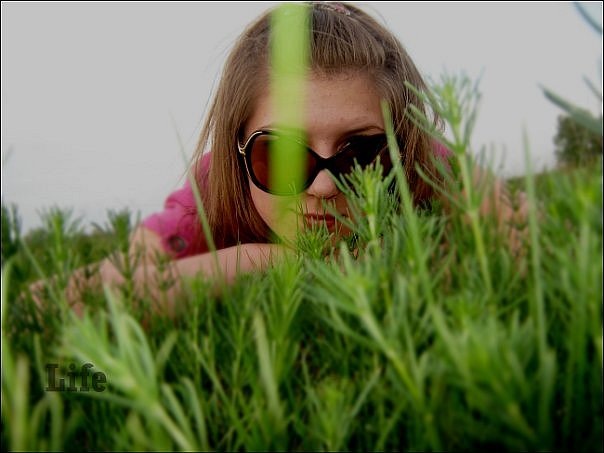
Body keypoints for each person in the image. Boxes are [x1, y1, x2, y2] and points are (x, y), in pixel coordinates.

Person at [34, 1, 525, 317]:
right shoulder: (211, 191)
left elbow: (532, 244)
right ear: (237, 147)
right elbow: (48, 306)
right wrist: (253, 262)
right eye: (281, 155)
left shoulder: (423, 161)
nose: (324, 187)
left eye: (362, 155)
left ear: (402, 143)